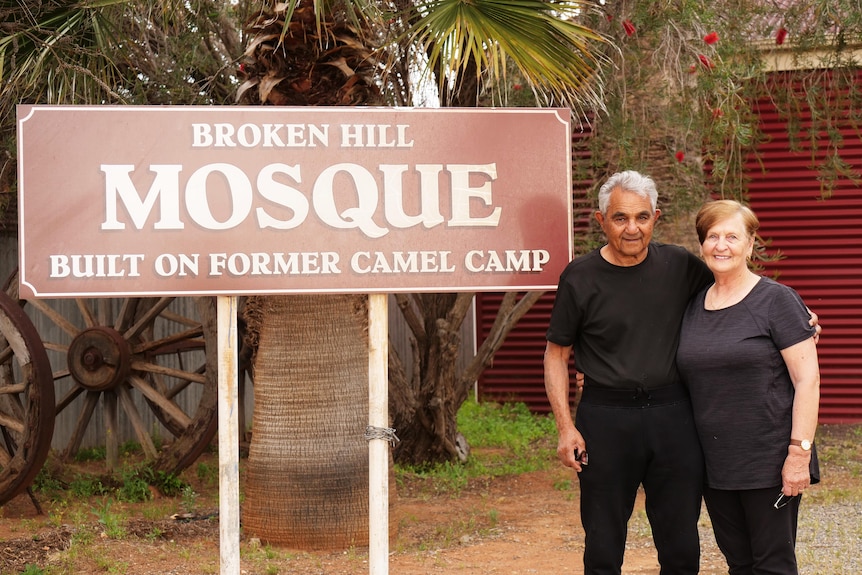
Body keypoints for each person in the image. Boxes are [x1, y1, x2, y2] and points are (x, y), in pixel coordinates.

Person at [544, 170, 715, 575]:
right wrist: (566, 428)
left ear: (656, 217)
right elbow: (556, 355)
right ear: (601, 221)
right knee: (602, 548)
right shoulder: (579, 276)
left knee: (681, 548)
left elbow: (735, 292)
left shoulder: (680, 265)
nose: (632, 228)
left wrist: (794, 317)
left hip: (674, 417)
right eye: (620, 218)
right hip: (605, 420)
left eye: (641, 217)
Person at [676, 200, 820, 575]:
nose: (721, 245)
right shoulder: (692, 306)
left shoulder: (776, 300)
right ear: (702, 244)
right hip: (715, 464)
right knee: (739, 564)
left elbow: (808, 380)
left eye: (732, 237)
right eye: (712, 237)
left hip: (769, 462)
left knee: (772, 565)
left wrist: (798, 454)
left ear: (751, 244)